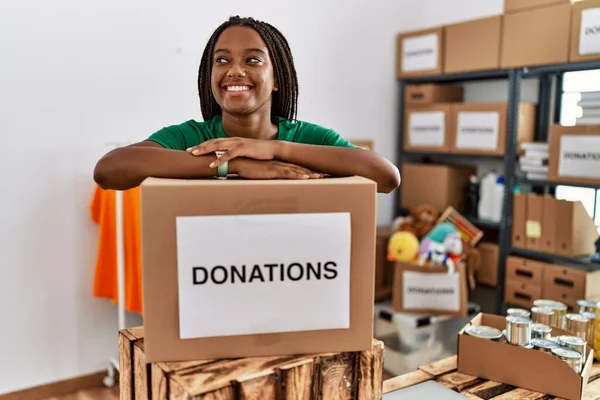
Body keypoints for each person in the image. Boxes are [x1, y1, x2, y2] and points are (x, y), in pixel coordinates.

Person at [93, 16, 400, 193]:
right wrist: (235, 164)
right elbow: (110, 170)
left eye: (252, 60)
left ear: (277, 78)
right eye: (222, 60)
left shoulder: (308, 138)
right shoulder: (191, 138)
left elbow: (386, 177)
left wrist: (275, 150)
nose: (234, 70)